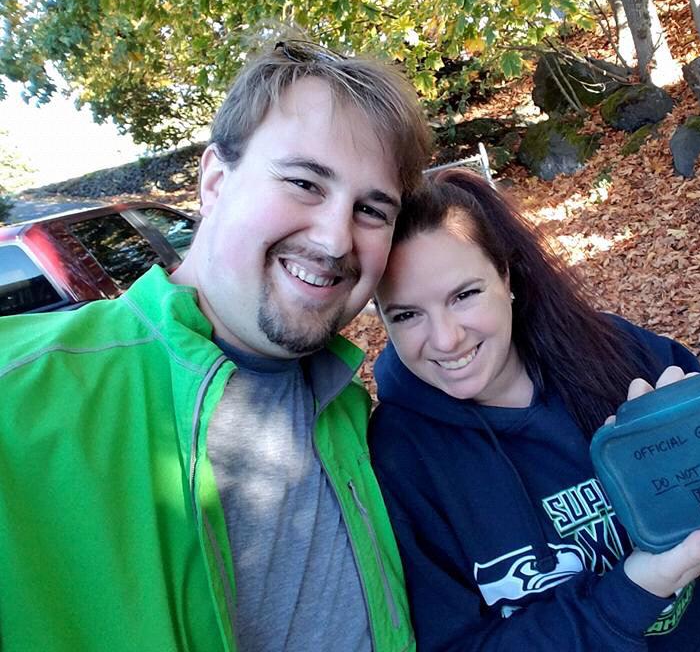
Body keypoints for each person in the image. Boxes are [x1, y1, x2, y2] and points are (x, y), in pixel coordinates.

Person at [0, 39, 431, 652]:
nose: (336, 240)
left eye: (371, 209)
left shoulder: (352, 416)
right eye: (305, 183)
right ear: (215, 181)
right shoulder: (22, 392)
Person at [370, 169, 700, 651]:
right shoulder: (399, 460)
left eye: (464, 295)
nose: (445, 339)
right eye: (406, 314)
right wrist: (631, 593)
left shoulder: (612, 353)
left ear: (506, 275)